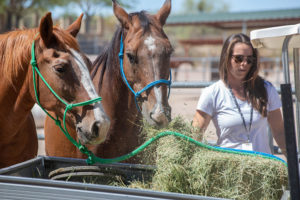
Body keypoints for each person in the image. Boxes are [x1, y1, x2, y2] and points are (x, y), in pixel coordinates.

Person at [192, 33, 286, 155]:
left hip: (263, 168)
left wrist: (294, 164)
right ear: (226, 57)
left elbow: (280, 132)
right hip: (229, 170)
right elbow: (195, 135)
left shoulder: (267, 89)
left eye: (250, 59)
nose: (244, 64)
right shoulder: (212, 93)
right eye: (238, 58)